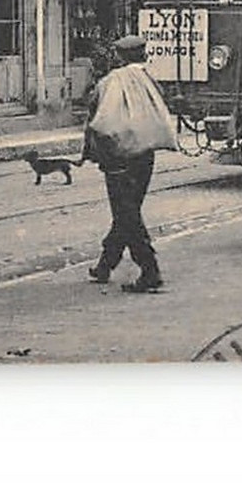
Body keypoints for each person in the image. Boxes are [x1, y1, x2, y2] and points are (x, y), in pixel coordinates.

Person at [81, 35, 178, 293]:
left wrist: (95, 152)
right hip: (145, 155)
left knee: (126, 213)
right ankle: (106, 264)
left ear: (119, 56)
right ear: (143, 54)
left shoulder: (112, 81)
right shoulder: (150, 79)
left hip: (119, 156)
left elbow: (100, 120)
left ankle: (150, 270)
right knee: (128, 210)